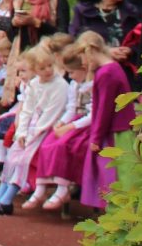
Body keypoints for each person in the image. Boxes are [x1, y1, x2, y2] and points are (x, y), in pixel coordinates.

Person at [0, 45, 67, 215]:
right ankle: (0, 195)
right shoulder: (34, 83)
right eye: (42, 68)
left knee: (23, 161)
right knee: (12, 157)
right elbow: (27, 109)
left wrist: (32, 135)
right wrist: (21, 132)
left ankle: (7, 199)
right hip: (32, 127)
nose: (48, 70)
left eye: (49, 65)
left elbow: (51, 114)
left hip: (47, 129)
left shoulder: (59, 85)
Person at [25, 46, 93, 211]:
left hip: (85, 126)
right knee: (47, 143)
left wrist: (70, 126)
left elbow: (92, 115)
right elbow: (70, 108)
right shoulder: (74, 86)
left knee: (63, 145)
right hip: (73, 122)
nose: (70, 76)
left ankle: (62, 188)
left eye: (72, 73)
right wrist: (61, 123)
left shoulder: (92, 86)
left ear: (83, 70)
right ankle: (40, 188)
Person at [76, 31, 135, 209]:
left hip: (115, 133)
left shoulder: (106, 73)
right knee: (121, 176)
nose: (84, 63)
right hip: (120, 130)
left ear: (91, 50)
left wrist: (95, 137)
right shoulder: (114, 68)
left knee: (116, 177)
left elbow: (104, 108)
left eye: (83, 57)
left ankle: (120, 219)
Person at [69, 0, 139, 64]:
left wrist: (130, 50)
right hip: (94, 67)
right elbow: (74, 41)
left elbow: (141, 40)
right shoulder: (83, 12)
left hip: (126, 68)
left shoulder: (130, 12)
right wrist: (106, 51)